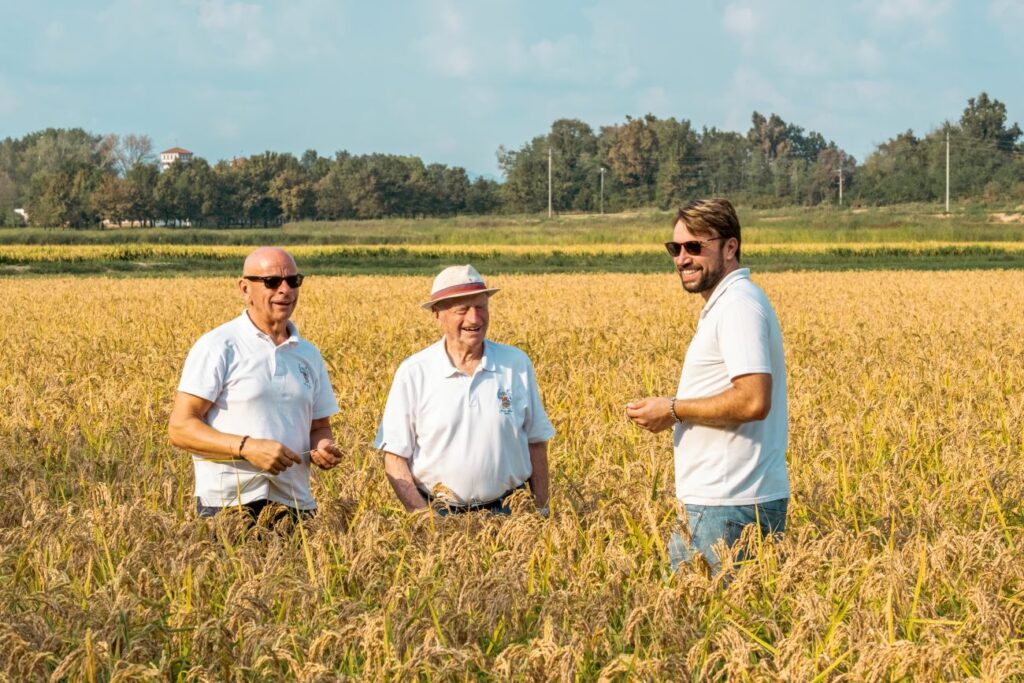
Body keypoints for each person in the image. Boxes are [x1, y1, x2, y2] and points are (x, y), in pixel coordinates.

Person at [626, 198, 789, 573]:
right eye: (675, 248)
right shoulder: (731, 302)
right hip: (726, 502)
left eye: (695, 247)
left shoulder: (737, 306)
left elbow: (753, 400)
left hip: (727, 504)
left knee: (705, 609)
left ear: (730, 247)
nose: (683, 258)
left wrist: (672, 410)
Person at [168, 247, 342, 522]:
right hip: (229, 506)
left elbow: (319, 426)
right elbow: (180, 428)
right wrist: (247, 448)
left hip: (296, 505)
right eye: (272, 282)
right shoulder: (219, 346)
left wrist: (322, 448)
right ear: (245, 288)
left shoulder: (308, 354)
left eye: (293, 281)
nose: (285, 289)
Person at [374, 264, 554, 515]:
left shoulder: (515, 364)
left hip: (512, 513)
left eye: (481, 307)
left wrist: (542, 510)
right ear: (438, 314)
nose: (474, 318)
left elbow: (536, 442)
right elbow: (394, 457)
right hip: (439, 513)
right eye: (462, 310)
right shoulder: (414, 372)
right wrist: (424, 518)